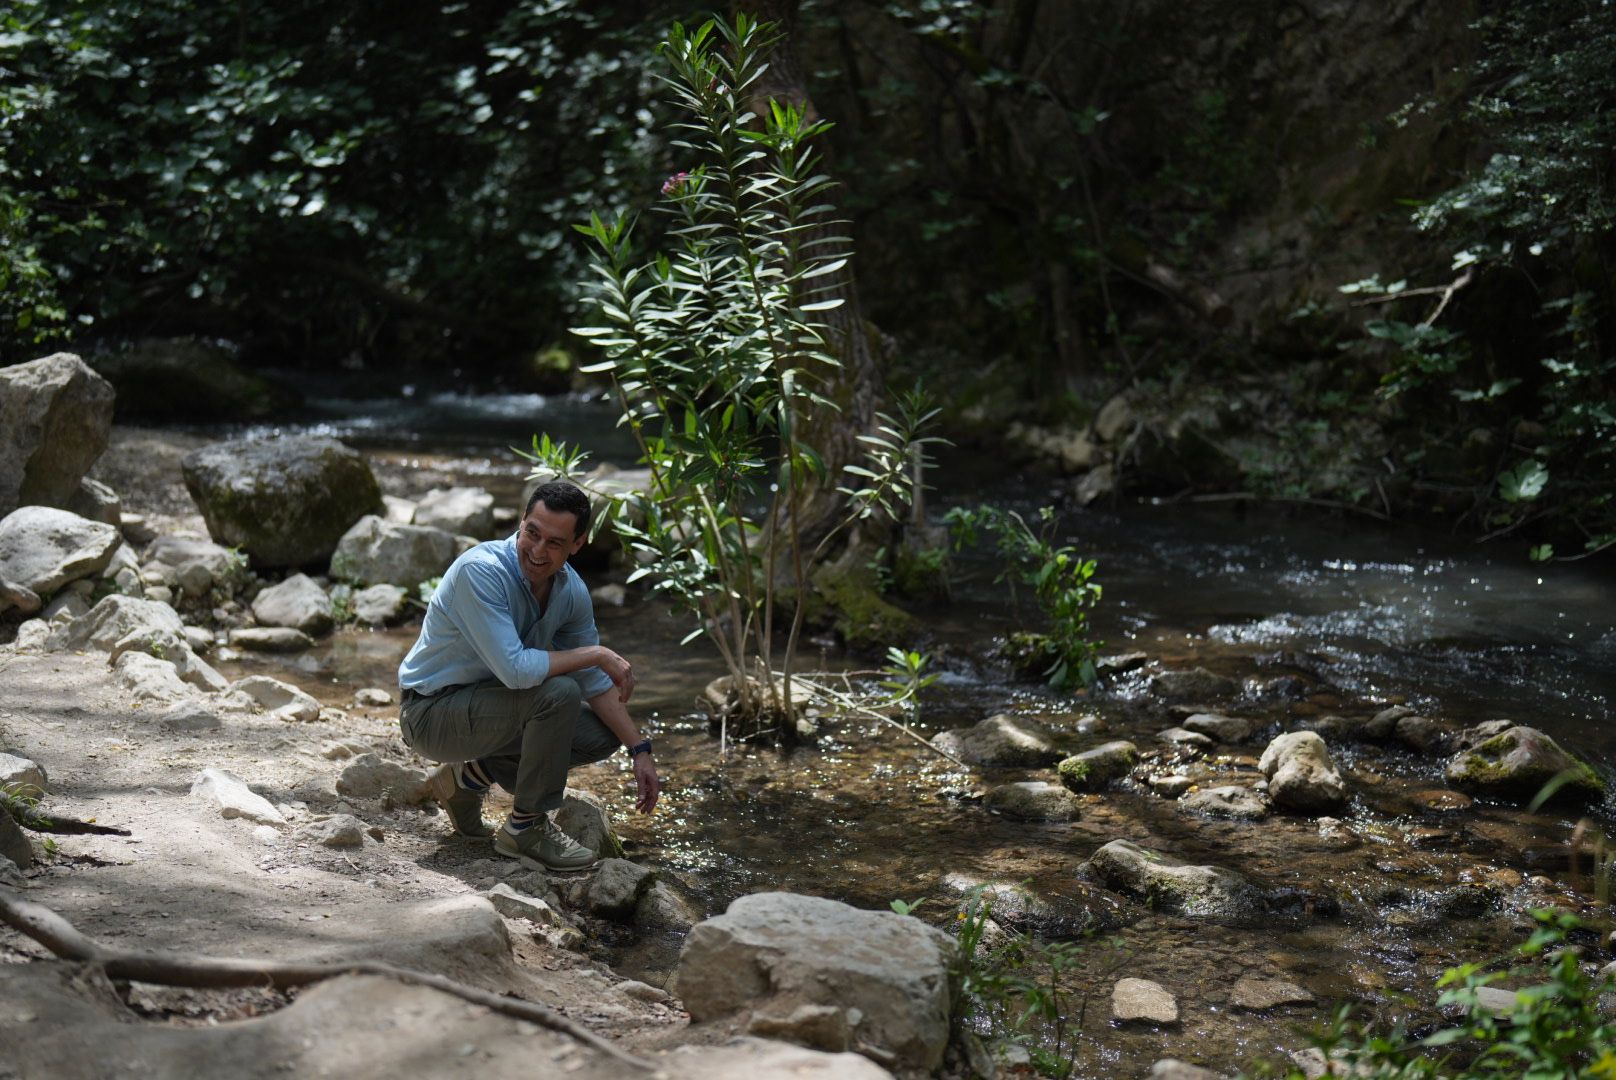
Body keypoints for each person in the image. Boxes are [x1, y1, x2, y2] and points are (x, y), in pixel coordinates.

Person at [397, 480, 659, 870]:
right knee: (558, 695)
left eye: (554, 543)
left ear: (577, 544)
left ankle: (467, 779)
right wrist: (598, 653)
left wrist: (639, 750)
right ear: (521, 522)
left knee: (602, 735)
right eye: (532, 533)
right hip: (430, 714)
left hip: (490, 711)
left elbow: (595, 682)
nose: (537, 551)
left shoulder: (570, 592)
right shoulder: (480, 571)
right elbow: (517, 671)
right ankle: (525, 828)